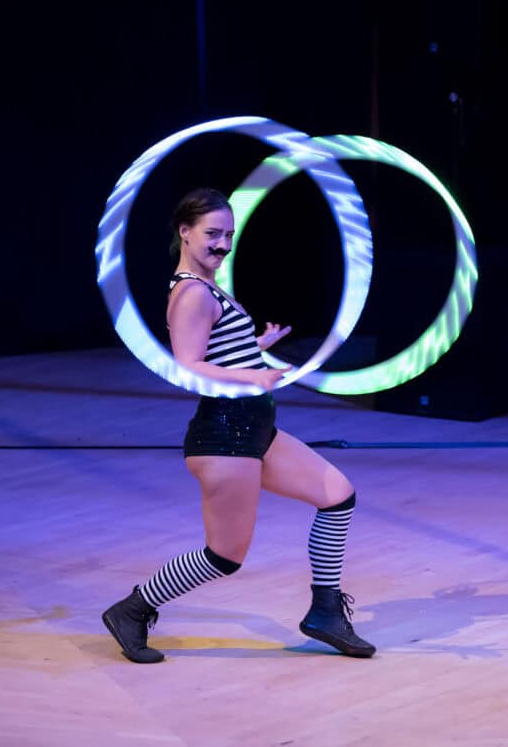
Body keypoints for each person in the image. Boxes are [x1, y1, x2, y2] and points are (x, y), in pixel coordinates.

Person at [101, 187, 375, 663]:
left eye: (229, 234)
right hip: (224, 438)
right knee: (224, 555)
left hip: (254, 430)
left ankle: (326, 612)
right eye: (213, 233)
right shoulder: (191, 292)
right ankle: (132, 609)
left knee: (337, 496)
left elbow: (218, 351)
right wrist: (254, 375)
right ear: (185, 232)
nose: (223, 244)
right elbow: (188, 366)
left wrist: (256, 345)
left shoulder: (209, 287)